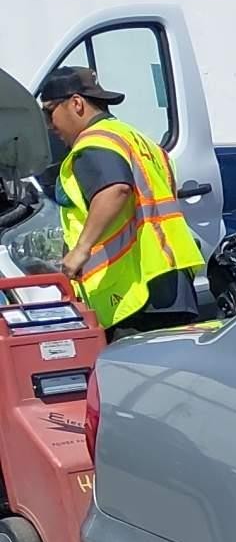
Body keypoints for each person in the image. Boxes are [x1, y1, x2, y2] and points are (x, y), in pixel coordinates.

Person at [40, 64, 205, 338]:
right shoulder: (137, 139)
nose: (49, 125)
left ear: (77, 104)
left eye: (49, 111)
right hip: (171, 277)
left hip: (135, 290)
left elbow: (115, 189)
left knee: (135, 378)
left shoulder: (93, 144)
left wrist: (81, 249)